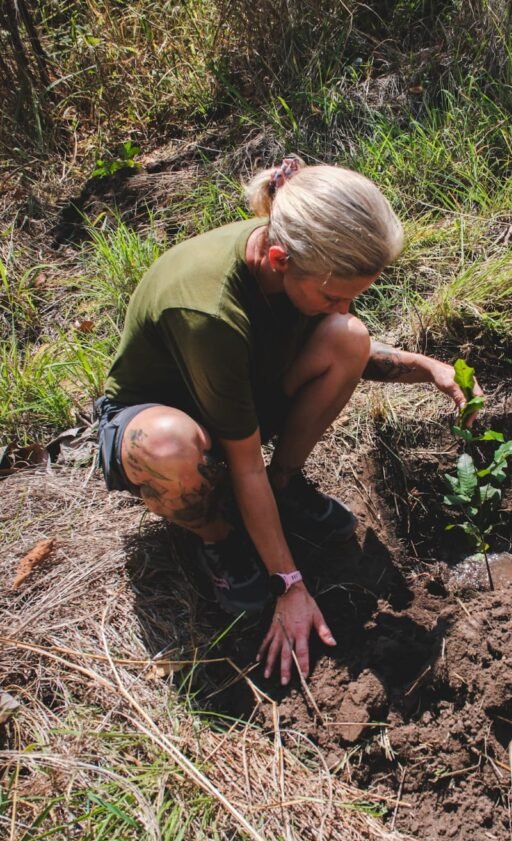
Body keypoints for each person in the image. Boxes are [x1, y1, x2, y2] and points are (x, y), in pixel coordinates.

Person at [96, 157, 482, 686]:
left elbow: (346, 344)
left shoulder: (300, 255)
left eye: (353, 293)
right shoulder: (210, 312)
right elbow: (244, 464)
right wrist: (290, 584)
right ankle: (219, 537)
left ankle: (286, 488)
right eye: (332, 295)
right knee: (167, 448)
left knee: (348, 336)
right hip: (162, 416)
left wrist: (430, 369)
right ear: (280, 260)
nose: (341, 304)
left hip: (238, 391)